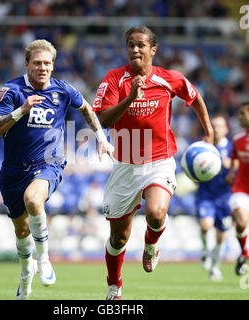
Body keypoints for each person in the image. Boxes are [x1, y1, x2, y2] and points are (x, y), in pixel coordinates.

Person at [92, 26, 214, 300]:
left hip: (160, 161)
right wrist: (131, 98)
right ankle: (114, 285)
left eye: (141, 45)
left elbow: (195, 98)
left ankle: (151, 244)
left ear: (152, 49)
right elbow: (104, 120)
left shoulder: (169, 78)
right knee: (118, 239)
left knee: (156, 213)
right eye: (131, 45)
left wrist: (209, 131)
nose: (135, 50)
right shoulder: (114, 79)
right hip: (125, 166)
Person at [0, 39, 114, 300]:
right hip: (13, 170)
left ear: (53, 65)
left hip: (49, 163)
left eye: (47, 63)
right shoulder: (12, 91)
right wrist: (21, 111)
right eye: (37, 63)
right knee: (21, 232)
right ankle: (26, 275)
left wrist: (101, 138)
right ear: (27, 64)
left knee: (33, 199)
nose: (42, 67)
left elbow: (87, 109)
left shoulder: (63, 90)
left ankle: (44, 259)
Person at [195, 115, 232, 281]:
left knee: (220, 237)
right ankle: (205, 250)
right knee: (205, 226)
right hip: (206, 195)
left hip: (225, 197)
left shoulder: (232, 148)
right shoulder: (203, 147)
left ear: (226, 129)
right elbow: (191, 168)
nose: (216, 129)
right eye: (213, 126)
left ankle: (215, 267)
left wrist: (231, 165)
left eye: (219, 126)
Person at [226, 102, 249, 275]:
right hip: (240, 187)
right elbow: (235, 157)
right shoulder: (237, 138)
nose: (239, 117)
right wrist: (232, 172)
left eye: (242, 113)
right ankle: (245, 253)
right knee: (241, 222)